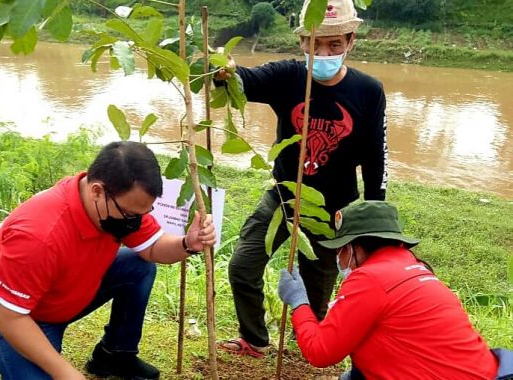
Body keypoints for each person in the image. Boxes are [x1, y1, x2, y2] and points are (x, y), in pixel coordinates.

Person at [216, 0, 388, 357]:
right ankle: (255, 339)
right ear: (302, 43)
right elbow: (245, 80)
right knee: (243, 264)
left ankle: (311, 344)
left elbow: (375, 156)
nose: (323, 52)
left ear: (351, 41)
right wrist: (226, 71)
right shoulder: (289, 76)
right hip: (283, 194)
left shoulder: (369, 92)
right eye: (315, 43)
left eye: (334, 45)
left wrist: (374, 217)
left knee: (319, 281)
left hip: (332, 208)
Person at [0, 141, 216, 380]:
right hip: (21, 316)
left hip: (65, 294)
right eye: (131, 214)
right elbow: (7, 316)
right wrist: (64, 372)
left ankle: (115, 355)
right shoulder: (38, 235)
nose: (136, 221)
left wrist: (187, 244)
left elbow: (152, 247)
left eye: (144, 213)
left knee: (137, 266)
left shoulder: (116, 206)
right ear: (97, 190)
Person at [278, 200, 513, 379]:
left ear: (354, 247)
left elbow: (320, 351)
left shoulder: (369, 278)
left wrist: (299, 302)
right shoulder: (415, 267)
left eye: (340, 249)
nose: (338, 256)